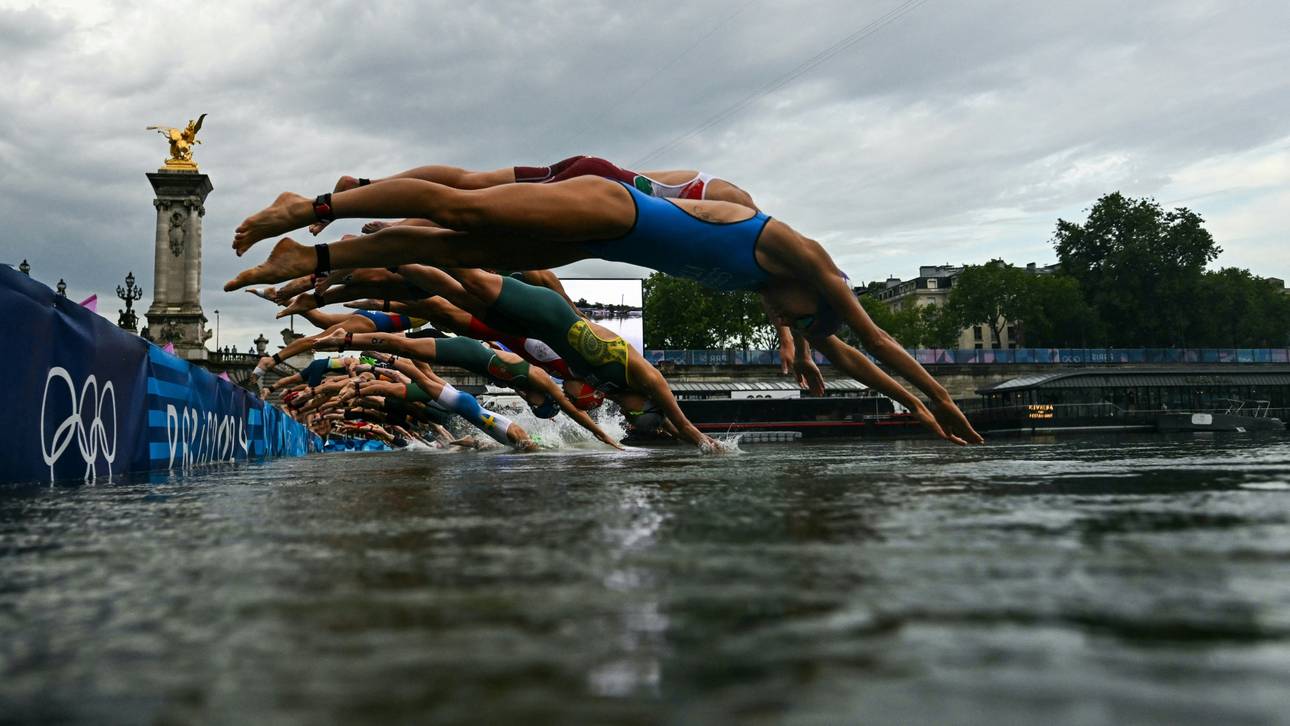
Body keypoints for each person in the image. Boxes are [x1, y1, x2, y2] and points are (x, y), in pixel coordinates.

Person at [227, 173, 983, 446]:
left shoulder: (789, 301)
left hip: (607, 235)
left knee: (460, 245)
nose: (798, 329)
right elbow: (877, 337)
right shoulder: (802, 256)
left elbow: (854, 357)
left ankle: (317, 258)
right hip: (614, 203)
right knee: (462, 214)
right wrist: (943, 399)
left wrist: (918, 416)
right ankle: (312, 211)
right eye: (804, 325)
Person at [311, 328, 624, 450]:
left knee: (420, 374)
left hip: (471, 379)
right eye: (537, 405)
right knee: (415, 366)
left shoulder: (530, 389)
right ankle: (353, 339)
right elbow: (572, 411)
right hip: (470, 355)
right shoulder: (541, 381)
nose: (531, 405)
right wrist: (605, 437)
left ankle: (370, 352)